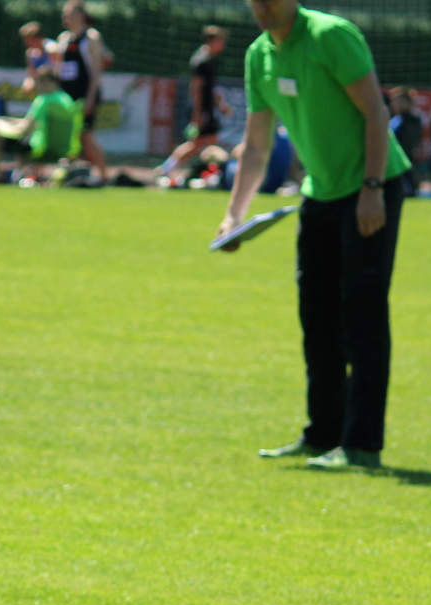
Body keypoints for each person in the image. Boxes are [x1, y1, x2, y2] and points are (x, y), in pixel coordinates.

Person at [217, 0, 412, 471]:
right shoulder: (258, 55)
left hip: (370, 187)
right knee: (317, 317)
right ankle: (322, 433)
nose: (262, 6)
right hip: (318, 195)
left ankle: (362, 444)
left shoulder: (331, 36)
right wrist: (233, 216)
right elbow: (258, 144)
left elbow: (375, 113)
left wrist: (370, 189)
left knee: (361, 317)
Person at [156, 26, 229, 182]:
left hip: (206, 108)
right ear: (212, 40)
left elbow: (210, 88)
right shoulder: (201, 60)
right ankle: (171, 169)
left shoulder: (209, 59)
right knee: (200, 144)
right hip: (202, 109)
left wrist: (220, 105)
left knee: (205, 143)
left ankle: (203, 173)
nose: (223, 45)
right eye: (220, 41)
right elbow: (196, 87)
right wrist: (198, 112)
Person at [0, 66, 81, 180]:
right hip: (63, 149)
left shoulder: (44, 100)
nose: (37, 86)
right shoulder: (66, 99)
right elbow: (37, 123)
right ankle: (16, 173)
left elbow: (22, 130)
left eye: (40, 82)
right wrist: (9, 121)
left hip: (41, 148)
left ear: (49, 82)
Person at [56, 0, 108, 183]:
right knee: (70, 136)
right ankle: (74, 175)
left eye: (69, 13)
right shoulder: (63, 39)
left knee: (86, 135)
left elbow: (95, 73)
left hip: (84, 94)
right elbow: (59, 69)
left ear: (80, 16)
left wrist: (90, 98)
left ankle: (103, 176)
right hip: (66, 96)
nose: (65, 17)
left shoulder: (91, 37)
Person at [388, 87, 421, 196]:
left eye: (397, 101)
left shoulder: (408, 122)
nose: (394, 104)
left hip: (399, 164)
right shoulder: (397, 120)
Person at [18, 21, 55, 95]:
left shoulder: (52, 48)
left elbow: (57, 71)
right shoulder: (30, 54)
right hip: (42, 91)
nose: (27, 44)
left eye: (29, 40)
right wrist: (28, 83)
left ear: (38, 38)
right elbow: (31, 75)